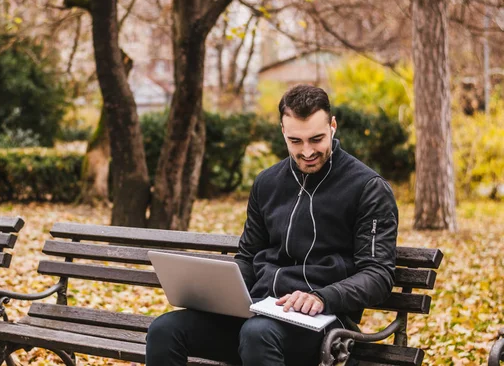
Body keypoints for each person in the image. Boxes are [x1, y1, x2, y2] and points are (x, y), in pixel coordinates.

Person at [145, 84, 398, 366]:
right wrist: (216, 289)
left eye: (316, 139)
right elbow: (249, 256)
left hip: (324, 323)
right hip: (258, 312)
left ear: (333, 126)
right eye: (295, 141)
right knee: (164, 330)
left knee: (258, 334)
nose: (307, 151)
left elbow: (378, 274)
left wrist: (322, 297)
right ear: (282, 131)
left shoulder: (367, 188)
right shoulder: (267, 183)